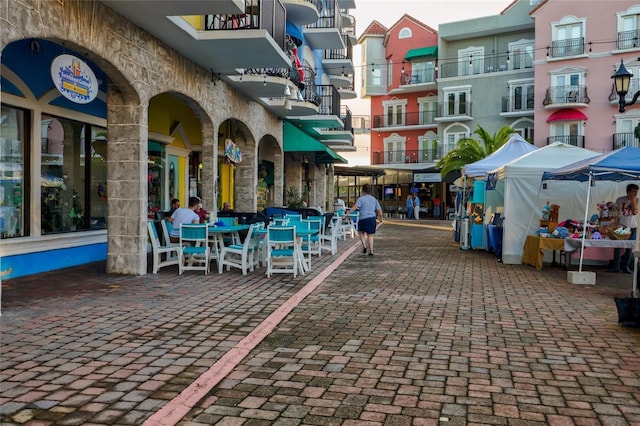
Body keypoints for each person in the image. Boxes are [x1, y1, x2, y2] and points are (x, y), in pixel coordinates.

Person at [345, 184, 383, 256]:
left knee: (360, 232)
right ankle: (371, 250)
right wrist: (380, 218)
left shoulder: (360, 199)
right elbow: (379, 210)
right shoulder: (374, 199)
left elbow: (355, 207)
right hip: (371, 218)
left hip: (363, 218)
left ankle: (364, 246)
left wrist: (346, 214)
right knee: (370, 235)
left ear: (363, 191)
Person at [609, 183, 639, 274]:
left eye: (636, 192)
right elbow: (615, 212)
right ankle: (616, 266)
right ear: (628, 191)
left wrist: (633, 200)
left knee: (629, 247)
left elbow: (634, 212)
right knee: (618, 246)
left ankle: (626, 266)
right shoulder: (620, 199)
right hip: (621, 225)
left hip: (632, 226)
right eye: (633, 191)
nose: (635, 193)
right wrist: (617, 224)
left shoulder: (637, 200)